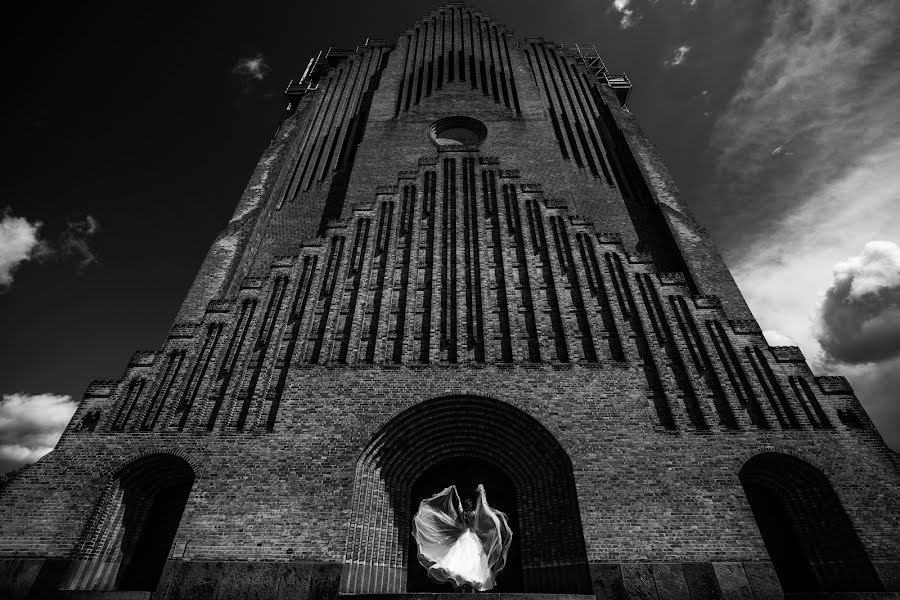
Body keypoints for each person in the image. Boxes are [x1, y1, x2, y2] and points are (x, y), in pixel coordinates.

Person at [412, 483, 512, 592]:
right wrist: (481, 494)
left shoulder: (462, 513)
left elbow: (458, 505)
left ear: (465, 506)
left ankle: (461, 588)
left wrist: (455, 493)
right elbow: (481, 507)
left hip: (463, 536)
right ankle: (470, 589)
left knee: (460, 561)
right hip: (472, 537)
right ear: (471, 506)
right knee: (472, 562)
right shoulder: (474, 514)